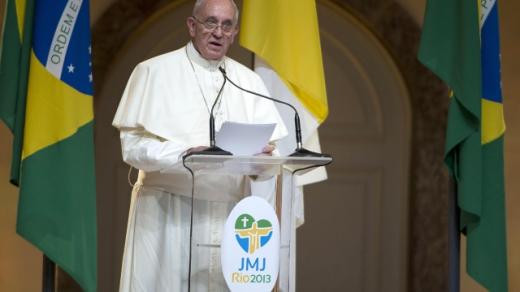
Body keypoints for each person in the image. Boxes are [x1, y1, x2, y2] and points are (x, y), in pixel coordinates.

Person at [112, 0, 288, 291]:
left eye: (227, 25)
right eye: (210, 23)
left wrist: (261, 161)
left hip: (230, 216)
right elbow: (132, 148)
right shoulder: (153, 72)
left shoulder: (249, 82)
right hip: (166, 214)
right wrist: (183, 155)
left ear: (235, 33)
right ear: (192, 26)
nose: (218, 32)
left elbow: (273, 159)